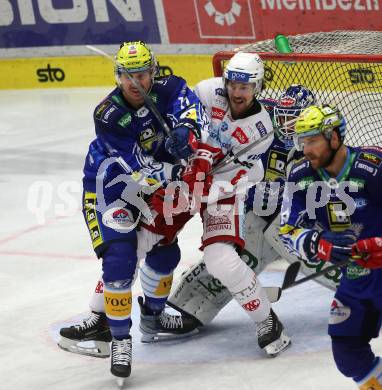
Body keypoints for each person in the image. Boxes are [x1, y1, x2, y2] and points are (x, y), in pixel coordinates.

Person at [68, 40, 210, 382]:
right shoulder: (109, 115)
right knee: (120, 261)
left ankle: (154, 317)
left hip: (152, 192)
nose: (135, 83)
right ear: (118, 76)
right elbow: (136, 166)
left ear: (153, 72)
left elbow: (194, 112)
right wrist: (171, 161)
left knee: (166, 253)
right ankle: (118, 339)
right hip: (111, 192)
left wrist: (184, 133)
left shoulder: (172, 87)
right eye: (127, 75)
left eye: (141, 74)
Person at [279, 104, 382, 389]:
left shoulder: (372, 167)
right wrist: (316, 243)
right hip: (357, 277)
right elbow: (288, 228)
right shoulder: (300, 176)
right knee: (347, 353)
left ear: (334, 137)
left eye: (312, 140)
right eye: (302, 142)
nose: (305, 149)